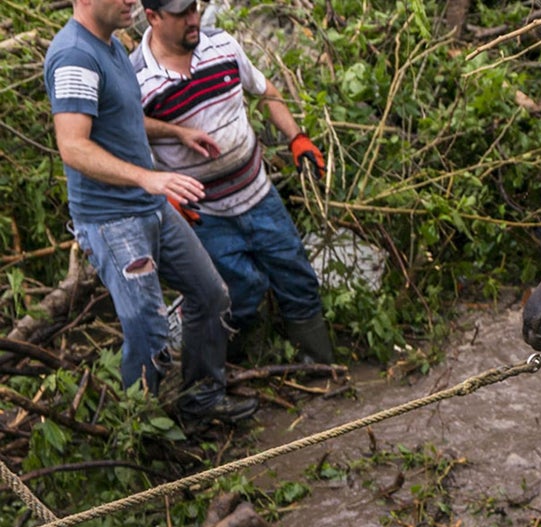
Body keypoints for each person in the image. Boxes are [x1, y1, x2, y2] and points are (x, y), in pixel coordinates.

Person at [43, 0, 256, 426]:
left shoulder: (111, 45)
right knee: (149, 329)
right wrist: (149, 178)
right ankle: (136, 431)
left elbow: (125, 118)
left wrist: (176, 132)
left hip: (149, 205)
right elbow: (73, 146)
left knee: (211, 295)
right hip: (113, 220)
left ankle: (201, 402)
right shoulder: (74, 56)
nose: (133, 2)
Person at [131, 0, 334, 365]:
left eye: (194, 10)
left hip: (258, 195)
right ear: (154, 17)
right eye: (181, 15)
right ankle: (234, 365)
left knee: (296, 275)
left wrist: (296, 137)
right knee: (237, 292)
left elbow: (264, 89)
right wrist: (165, 191)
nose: (193, 20)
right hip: (205, 215)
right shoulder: (135, 79)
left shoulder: (221, 46)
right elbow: (128, 140)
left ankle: (319, 365)